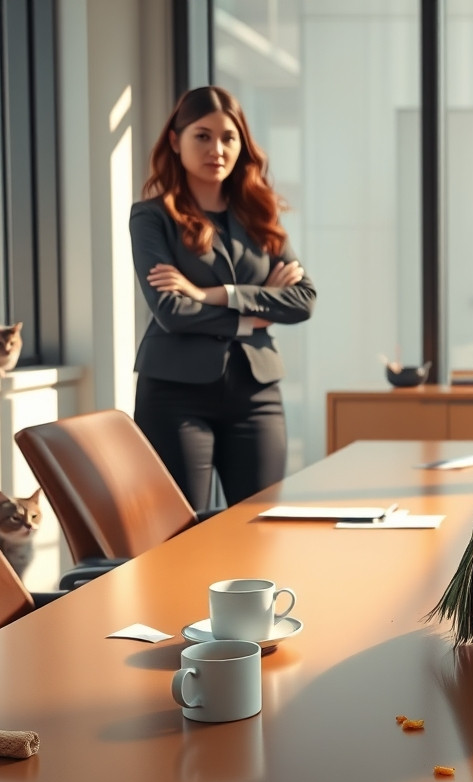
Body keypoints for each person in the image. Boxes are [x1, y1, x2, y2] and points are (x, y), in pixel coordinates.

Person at [129, 86, 316, 511]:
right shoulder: (151, 217)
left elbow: (303, 300)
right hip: (174, 395)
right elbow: (172, 312)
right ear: (175, 142)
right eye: (202, 136)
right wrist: (257, 311)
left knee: (258, 524)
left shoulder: (259, 214)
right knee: (179, 532)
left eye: (228, 137)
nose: (217, 148)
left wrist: (214, 294)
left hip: (257, 394)